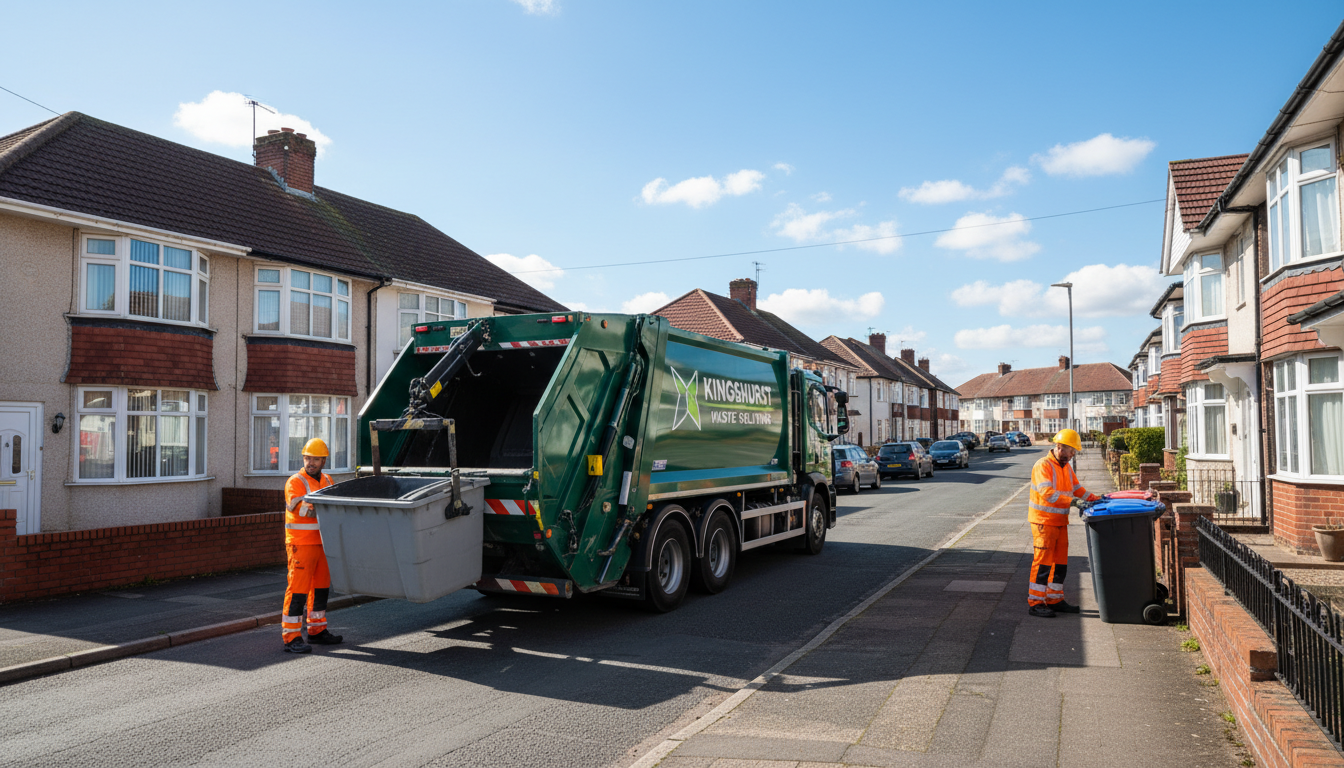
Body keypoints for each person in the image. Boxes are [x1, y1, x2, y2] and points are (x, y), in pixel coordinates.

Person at [1027, 428, 1100, 618]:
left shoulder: (1065, 466)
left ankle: (1054, 599)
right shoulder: (1043, 465)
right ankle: (1036, 602)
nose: (1073, 454)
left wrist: (1095, 499)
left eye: (1074, 451)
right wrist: (1073, 502)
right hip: (1044, 522)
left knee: (1060, 563)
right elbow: (1047, 493)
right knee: (1043, 563)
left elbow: (1077, 488)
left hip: (1060, 521)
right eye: (1071, 451)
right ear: (1060, 447)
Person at [281, 438, 344, 653]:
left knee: (320, 589)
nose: (311, 463)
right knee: (297, 589)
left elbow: (334, 506)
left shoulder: (327, 479)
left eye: (315, 459)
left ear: (323, 460)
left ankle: (317, 630)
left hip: (323, 543)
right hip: (301, 544)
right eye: (308, 458)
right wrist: (324, 509)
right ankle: (291, 637)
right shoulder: (295, 481)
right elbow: (297, 508)